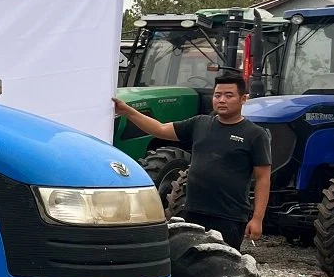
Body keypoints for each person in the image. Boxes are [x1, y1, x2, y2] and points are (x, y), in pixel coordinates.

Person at [113, 69, 271, 250]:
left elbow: (263, 179)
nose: (221, 100)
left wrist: (257, 219)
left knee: (222, 268)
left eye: (229, 95)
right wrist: (127, 111)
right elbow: (160, 129)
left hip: (229, 217)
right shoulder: (200, 123)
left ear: (243, 99)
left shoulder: (255, 134)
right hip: (193, 212)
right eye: (217, 95)